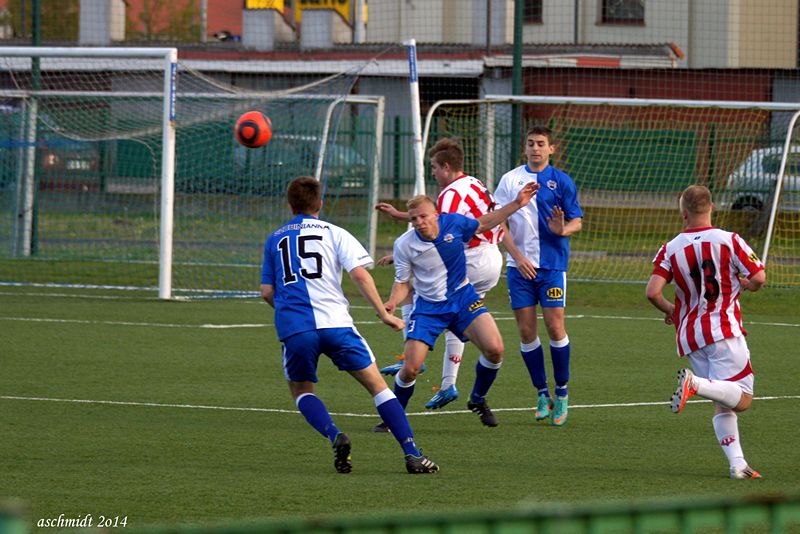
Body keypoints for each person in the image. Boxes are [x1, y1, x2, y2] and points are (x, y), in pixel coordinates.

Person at [260, 176, 439, 474]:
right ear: (320, 203)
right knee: (378, 387)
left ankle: (335, 435)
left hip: (296, 328)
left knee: (302, 391)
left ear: (290, 205)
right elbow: (359, 274)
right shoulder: (335, 233)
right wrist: (384, 314)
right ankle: (412, 453)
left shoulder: (274, 239)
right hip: (337, 324)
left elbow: (267, 292)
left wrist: (288, 313)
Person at [383, 182, 539, 428]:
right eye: (414, 219)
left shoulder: (453, 223)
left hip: (463, 299)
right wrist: (392, 302)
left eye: (423, 216)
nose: (419, 222)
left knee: (495, 349)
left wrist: (517, 203)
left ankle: (477, 399)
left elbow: (484, 223)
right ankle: (394, 418)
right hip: (429, 309)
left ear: (436, 214)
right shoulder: (404, 244)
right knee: (411, 368)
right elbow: (402, 282)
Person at [375, 138, 505, 412]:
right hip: (492, 256)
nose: (432, 172)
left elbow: (443, 227)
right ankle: (445, 381)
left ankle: (416, 355)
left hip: (471, 257)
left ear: (446, 167)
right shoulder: (474, 183)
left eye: (434, 167)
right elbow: (434, 222)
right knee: (449, 309)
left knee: (422, 288)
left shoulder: (449, 195)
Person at [646, 184, 765, 479]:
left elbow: (652, 292)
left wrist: (672, 311)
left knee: (723, 403)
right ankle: (695, 384)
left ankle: (738, 465)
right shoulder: (729, 240)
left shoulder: (670, 248)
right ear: (711, 207)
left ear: (683, 213)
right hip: (723, 330)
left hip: (691, 336)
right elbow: (759, 277)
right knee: (743, 398)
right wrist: (748, 285)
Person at [493, 125, 583, 426]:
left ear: (551, 149)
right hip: (519, 269)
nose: (535, 148)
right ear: (525, 147)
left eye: (541, 144)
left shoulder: (562, 181)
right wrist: (517, 258)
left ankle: (562, 392)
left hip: (552, 266)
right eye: (531, 143)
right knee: (526, 332)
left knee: (555, 328)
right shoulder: (510, 180)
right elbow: (498, 222)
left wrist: (562, 230)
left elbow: (577, 221)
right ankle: (542, 393)